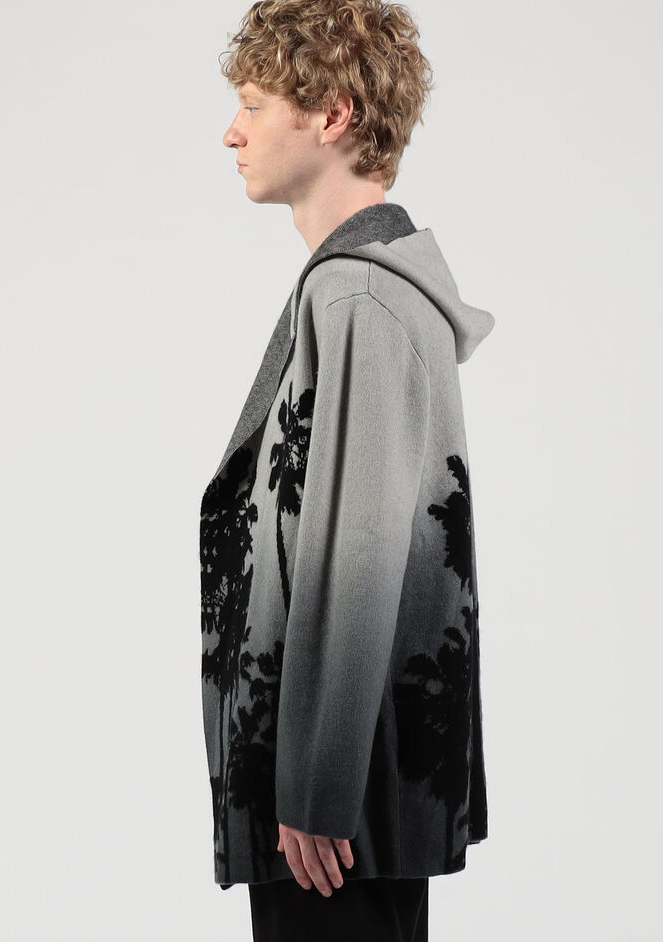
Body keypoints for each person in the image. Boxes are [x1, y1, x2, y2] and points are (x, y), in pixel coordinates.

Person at [199, 2, 494, 939]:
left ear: (331, 115)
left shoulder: (359, 295)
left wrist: (318, 789)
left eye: (254, 105)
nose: (232, 132)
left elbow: (361, 553)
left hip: (334, 812)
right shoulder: (364, 285)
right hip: (349, 788)